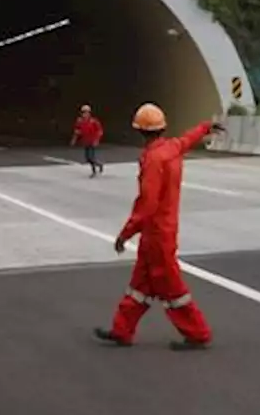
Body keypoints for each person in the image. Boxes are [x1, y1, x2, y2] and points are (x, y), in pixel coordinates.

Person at [94, 103, 226, 351]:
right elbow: (188, 138)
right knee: (139, 287)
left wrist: (125, 234)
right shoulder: (172, 148)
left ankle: (198, 333)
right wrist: (206, 127)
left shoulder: (153, 159)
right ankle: (121, 330)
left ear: (140, 131)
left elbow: (147, 203)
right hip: (162, 232)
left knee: (173, 289)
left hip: (156, 235)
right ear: (162, 128)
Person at [70, 105, 105, 177]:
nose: (85, 114)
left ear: (89, 113)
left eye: (86, 112)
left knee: (91, 157)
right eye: (83, 112)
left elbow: (100, 131)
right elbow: (77, 131)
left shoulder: (93, 121)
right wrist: (74, 139)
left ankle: (94, 171)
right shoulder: (80, 121)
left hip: (92, 141)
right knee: (88, 158)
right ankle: (99, 164)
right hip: (85, 141)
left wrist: (97, 140)